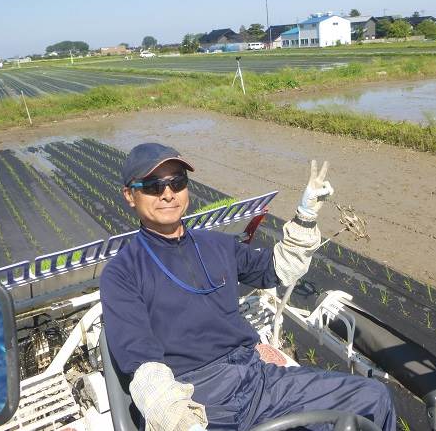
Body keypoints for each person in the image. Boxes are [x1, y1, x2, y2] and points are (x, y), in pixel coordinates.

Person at [100, 143, 395, 431]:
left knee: (372, 397)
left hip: (257, 378)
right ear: (130, 195)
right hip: (198, 396)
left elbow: (278, 269)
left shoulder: (217, 244)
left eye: (177, 182)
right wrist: (182, 422)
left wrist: (305, 217)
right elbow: (143, 366)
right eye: (152, 186)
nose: (167, 194)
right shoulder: (122, 273)